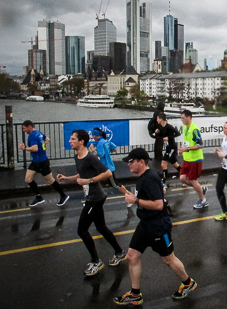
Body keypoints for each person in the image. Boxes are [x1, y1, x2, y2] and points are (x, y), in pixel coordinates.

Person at [113, 148, 197, 305]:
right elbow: (158, 194)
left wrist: (135, 201)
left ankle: (187, 283)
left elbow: (158, 205)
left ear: (141, 162)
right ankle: (135, 294)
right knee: (132, 256)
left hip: (158, 226)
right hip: (145, 224)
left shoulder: (149, 178)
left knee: (168, 259)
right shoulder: (144, 177)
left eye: (131, 162)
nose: (129, 165)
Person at [57, 130, 126, 276]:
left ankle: (96, 261)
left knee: (82, 230)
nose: (70, 141)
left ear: (81, 141)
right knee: (101, 227)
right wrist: (66, 178)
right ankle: (119, 252)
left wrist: (89, 181)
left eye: (73, 139)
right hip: (94, 196)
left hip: (94, 198)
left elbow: (107, 173)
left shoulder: (90, 157)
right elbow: (83, 174)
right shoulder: (78, 156)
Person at [18, 120, 69, 207]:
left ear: (29, 127)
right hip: (35, 162)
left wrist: (24, 148)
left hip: (42, 162)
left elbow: (35, 149)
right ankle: (38, 197)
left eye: (24, 128)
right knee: (28, 179)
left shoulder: (32, 136)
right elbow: (47, 139)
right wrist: (43, 147)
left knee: (50, 180)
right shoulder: (39, 133)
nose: (23, 130)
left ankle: (63, 195)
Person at [178, 109, 208, 209]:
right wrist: (182, 150)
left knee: (192, 180)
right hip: (187, 158)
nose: (181, 120)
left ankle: (203, 200)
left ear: (189, 117)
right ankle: (200, 188)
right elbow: (187, 141)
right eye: (181, 118)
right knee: (182, 178)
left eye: (183, 118)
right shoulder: (185, 127)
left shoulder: (194, 129)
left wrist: (188, 148)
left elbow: (200, 145)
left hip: (195, 159)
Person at [153, 112, 182, 182]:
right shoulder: (160, 126)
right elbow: (161, 135)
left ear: (161, 119)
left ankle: (164, 180)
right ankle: (184, 173)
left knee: (163, 164)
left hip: (172, 147)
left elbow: (178, 133)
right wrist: (157, 132)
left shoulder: (169, 127)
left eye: (157, 119)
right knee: (174, 164)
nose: (157, 120)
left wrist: (169, 138)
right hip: (168, 147)